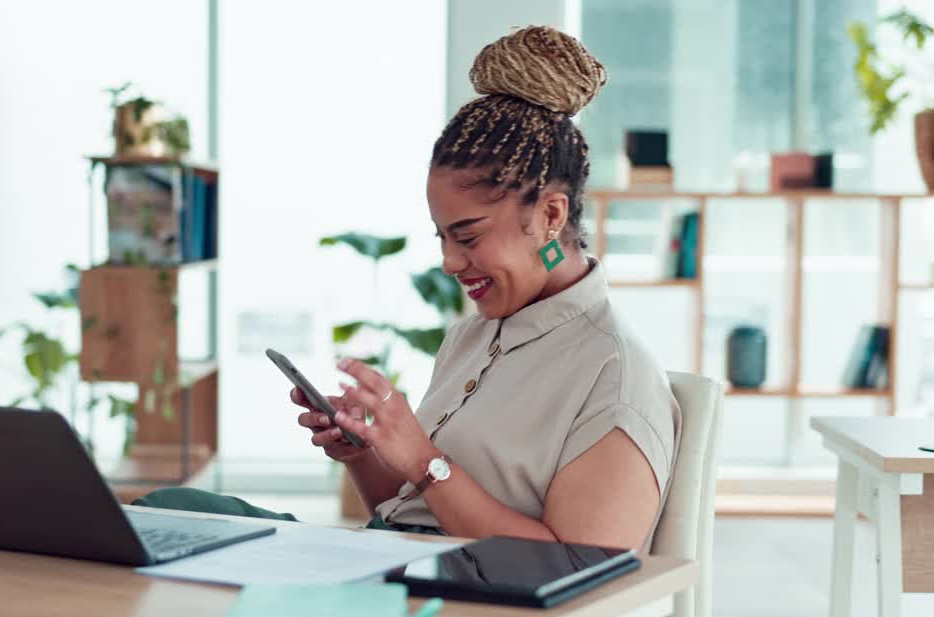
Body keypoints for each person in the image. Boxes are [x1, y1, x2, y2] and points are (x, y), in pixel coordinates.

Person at [138, 25, 679, 552]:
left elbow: (579, 573)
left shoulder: (615, 376)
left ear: (550, 216)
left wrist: (423, 460)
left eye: (467, 236)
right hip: (392, 565)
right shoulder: (475, 336)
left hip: (457, 612)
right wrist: (363, 453)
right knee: (168, 511)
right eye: (442, 237)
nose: (448, 262)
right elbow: (408, 513)